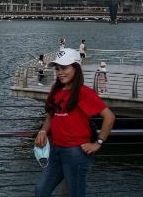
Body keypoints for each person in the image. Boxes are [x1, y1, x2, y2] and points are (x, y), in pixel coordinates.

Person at [34, 48, 115, 197]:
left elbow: (109, 116)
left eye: (64, 68)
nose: (60, 72)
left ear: (76, 68)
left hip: (75, 152)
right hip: (56, 150)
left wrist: (98, 143)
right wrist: (43, 131)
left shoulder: (84, 93)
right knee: (40, 191)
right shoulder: (55, 89)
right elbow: (51, 115)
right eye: (57, 68)